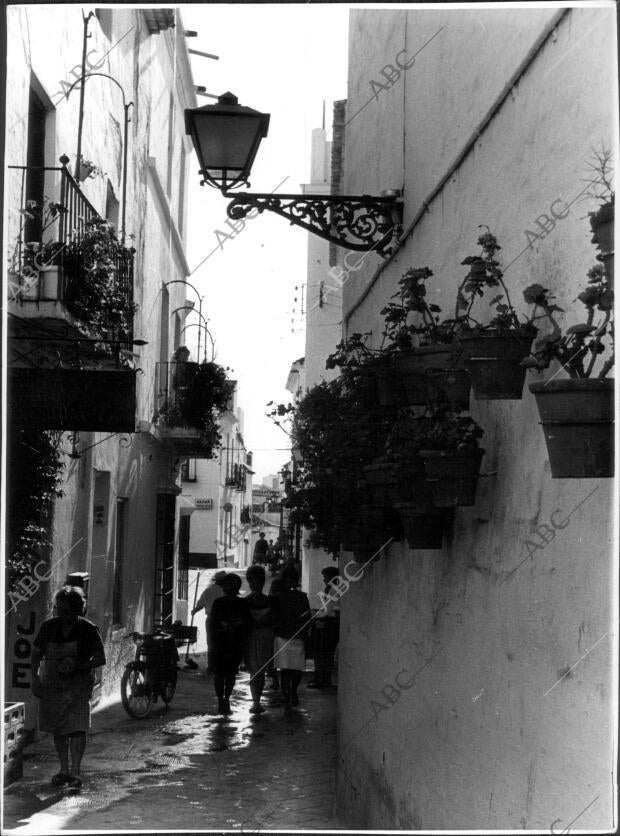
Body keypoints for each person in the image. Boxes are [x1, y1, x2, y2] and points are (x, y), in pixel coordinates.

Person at [30, 586, 106, 789]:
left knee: (77, 727)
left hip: (78, 686)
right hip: (52, 684)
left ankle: (75, 772)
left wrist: (78, 665)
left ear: (77, 610)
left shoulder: (89, 630)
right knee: (58, 727)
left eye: (66, 611)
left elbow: (100, 658)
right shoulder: (48, 627)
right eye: (59, 609)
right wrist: (35, 678)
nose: (61, 614)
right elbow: (36, 654)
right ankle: (64, 769)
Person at [271, 566, 311, 714]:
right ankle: (289, 696)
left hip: (287, 636)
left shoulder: (282, 597)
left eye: (291, 580)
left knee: (290, 670)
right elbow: (307, 617)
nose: (289, 583)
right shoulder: (297, 597)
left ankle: (290, 694)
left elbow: (306, 616)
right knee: (290, 670)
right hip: (290, 636)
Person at [208, 573, 249, 715]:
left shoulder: (240, 604)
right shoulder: (219, 603)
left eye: (231, 585)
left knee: (228, 674)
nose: (228, 588)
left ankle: (225, 699)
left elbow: (246, 623)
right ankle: (222, 700)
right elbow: (213, 624)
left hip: (232, 644)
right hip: (222, 643)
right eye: (226, 585)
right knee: (222, 674)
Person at [244, 565, 275, 714]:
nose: (256, 584)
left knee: (255, 671)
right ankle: (256, 702)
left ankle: (256, 702)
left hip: (253, 637)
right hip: (265, 637)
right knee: (259, 671)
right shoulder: (270, 601)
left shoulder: (245, 602)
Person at [308, 567, 341, 689]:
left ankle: (322, 679)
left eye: (325, 577)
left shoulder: (334, 590)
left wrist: (318, 614)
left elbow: (331, 610)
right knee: (325, 653)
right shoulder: (330, 589)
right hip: (330, 622)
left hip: (330, 624)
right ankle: (322, 678)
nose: (324, 580)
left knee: (324, 653)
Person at [192, 570, 227, 670]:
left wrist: (194, 611)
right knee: (222, 642)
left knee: (211, 642)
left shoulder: (208, 590)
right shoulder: (224, 591)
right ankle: (220, 664)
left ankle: (211, 665)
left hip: (210, 620)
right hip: (222, 619)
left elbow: (200, 604)